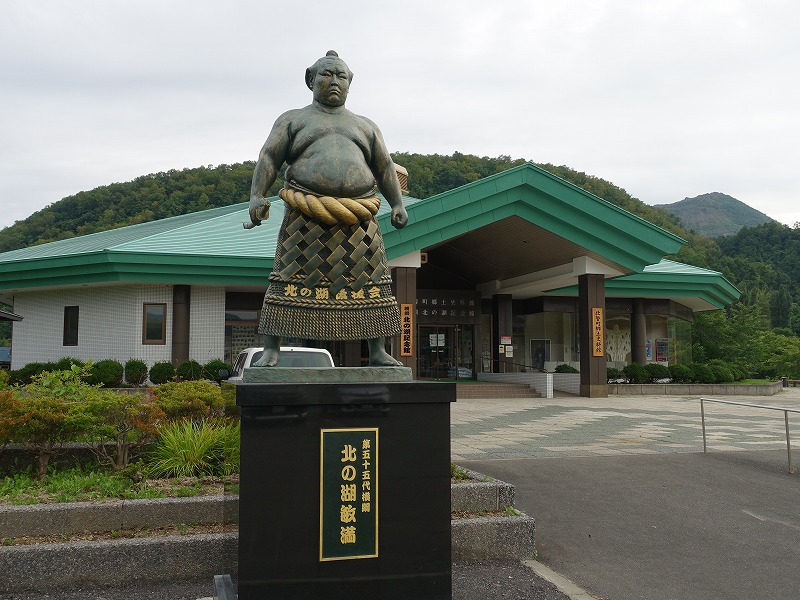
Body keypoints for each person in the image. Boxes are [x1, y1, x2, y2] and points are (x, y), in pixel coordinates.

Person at [248, 50, 408, 367]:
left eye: (341, 75)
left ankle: (376, 351)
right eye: (326, 74)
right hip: (305, 216)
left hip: (359, 217)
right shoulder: (294, 119)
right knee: (288, 277)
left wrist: (397, 203)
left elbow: (385, 167)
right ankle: (272, 348)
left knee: (372, 281)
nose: (334, 80)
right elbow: (269, 157)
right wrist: (257, 195)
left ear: (350, 82)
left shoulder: (365, 125)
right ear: (310, 79)